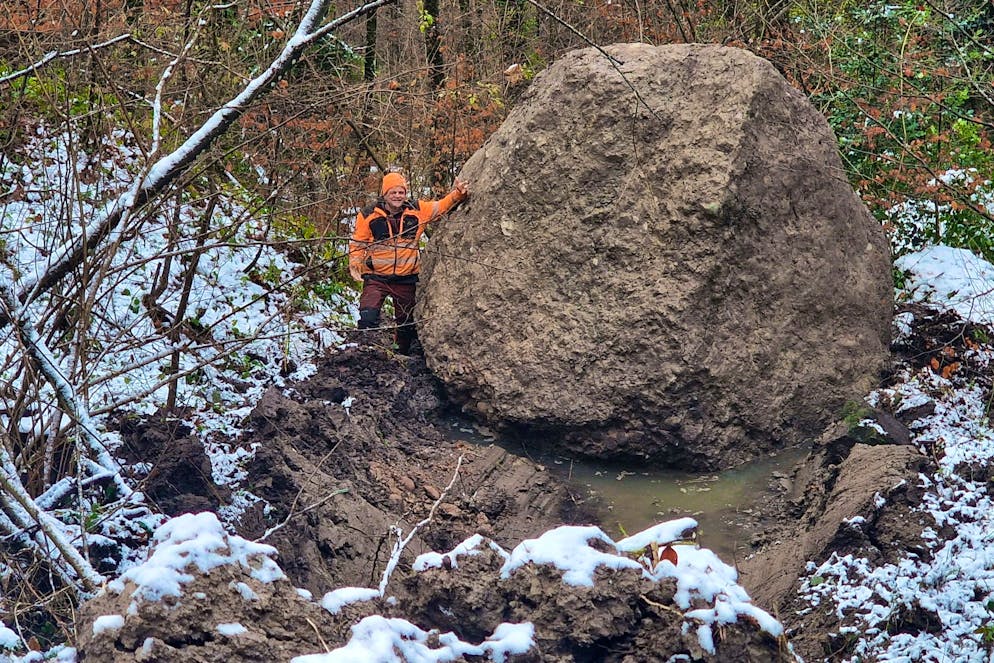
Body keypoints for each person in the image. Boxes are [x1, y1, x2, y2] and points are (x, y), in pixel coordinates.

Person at [348, 171, 470, 354]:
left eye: (401, 192)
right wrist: (355, 262)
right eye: (393, 192)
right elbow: (358, 242)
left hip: (406, 278)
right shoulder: (368, 214)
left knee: (406, 323)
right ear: (385, 194)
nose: (398, 196)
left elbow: (440, 207)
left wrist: (458, 195)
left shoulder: (417, 210)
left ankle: (401, 355)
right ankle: (366, 354)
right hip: (376, 277)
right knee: (368, 316)